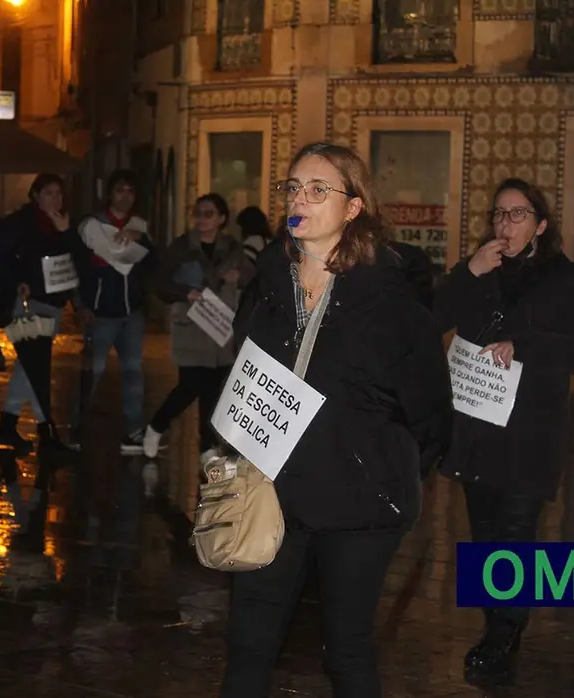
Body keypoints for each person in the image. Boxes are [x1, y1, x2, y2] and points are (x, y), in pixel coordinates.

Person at [221, 142, 451, 698]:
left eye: (318, 189)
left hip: (358, 508)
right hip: (274, 497)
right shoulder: (271, 287)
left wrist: (372, 468)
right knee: (248, 647)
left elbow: (432, 418)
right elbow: (239, 375)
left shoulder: (391, 304)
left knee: (346, 650)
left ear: (353, 208)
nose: (300, 197)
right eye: (293, 187)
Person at [435, 177, 574, 687]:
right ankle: (498, 625)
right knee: (485, 534)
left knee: (515, 532)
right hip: (480, 426)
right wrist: (469, 271)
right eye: (499, 215)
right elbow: (432, 315)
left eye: (518, 214)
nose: (506, 225)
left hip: (530, 432)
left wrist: (524, 343)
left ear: (541, 224)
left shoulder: (566, 282)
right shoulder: (479, 270)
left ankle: (503, 636)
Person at [144, 193, 251, 464]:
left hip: (220, 329)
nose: (202, 219)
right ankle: (157, 424)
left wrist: (238, 277)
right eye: (198, 213)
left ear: (221, 219)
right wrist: (184, 292)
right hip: (191, 327)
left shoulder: (231, 248)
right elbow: (159, 282)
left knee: (214, 390)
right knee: (189, 385)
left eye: (209, 214)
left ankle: (206, 446)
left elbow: (252, 277)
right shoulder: (182, 247)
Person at [71, 169, 157, 454]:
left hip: (131, 312)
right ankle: (76, 429)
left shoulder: (140, 226)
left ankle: (133, 431)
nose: (125, 196)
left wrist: (140, 239)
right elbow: (75, 267)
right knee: (91, 373)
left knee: (133, 372)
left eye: (130, 191)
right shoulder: (92, 227)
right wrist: (81, 305)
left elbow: (152, 262)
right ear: (109, 194)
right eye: (120, 190)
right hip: (100, 313)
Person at [0, 173, 80, 453]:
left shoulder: (61, 224)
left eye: (59, 193)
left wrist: (65, 232)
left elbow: (73, 260)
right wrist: (17, 281)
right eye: (49, 192)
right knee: (36, 367)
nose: (56, 198)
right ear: (36, 195)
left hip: (52, 303)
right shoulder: (20, 224)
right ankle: (47, 435)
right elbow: (0, 257)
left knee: (29, 368)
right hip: (30, 303)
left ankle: (8, 427)